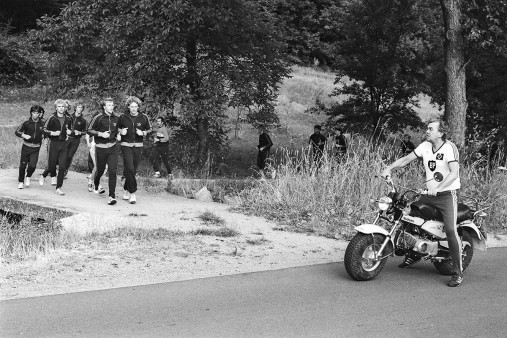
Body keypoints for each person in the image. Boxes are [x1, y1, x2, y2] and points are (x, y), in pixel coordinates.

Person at [381, 120, 463, 287]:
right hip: (428, 194)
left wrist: (439, 188)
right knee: (410, 216)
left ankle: (457, 272)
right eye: (427, 128)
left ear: (440, 133)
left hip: (447, 195)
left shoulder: (449, 148)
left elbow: (454, 173)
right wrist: (389, 168)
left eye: (431, 129)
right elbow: (406, 159)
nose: (427, 131)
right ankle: (415, 252)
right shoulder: (425, 146)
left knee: (450, 229)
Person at [117, 96, 152, 204]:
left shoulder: (144, 117)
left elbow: (150, 129)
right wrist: (120, 131)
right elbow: (116, 128)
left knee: (132, 169)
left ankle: (126, 190)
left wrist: (144, 133)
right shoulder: (123, 117)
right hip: (126, 145)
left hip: (138, 145)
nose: (134, 109)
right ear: (128, 107)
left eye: (136, 107)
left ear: (138, 107)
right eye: (132, 106)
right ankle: (133, 193)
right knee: (130, 168)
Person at [87, 97, 120, 205]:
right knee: (100, 170)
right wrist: (101, 134)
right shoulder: (98, 118)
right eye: (108, 105)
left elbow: (119, 129)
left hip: (113, 147)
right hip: (100, 148)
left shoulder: (117, 118)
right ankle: (96, 182)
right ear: (104, 106)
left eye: (112, 105)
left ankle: (111, 196)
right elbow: (89, 130)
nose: (111, 107)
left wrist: (119, 134)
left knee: (113, 171)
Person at [40, 99, 72, 195]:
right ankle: (43, 175)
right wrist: (52, 133)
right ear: (56, 108)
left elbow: (70, 129)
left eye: (63, 106)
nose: (61, 108)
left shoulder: (68, 119)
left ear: (65, 108)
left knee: (62, 166)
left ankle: (58, 187)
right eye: (59, 106)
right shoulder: (52, 118)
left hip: (64, 144)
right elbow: (43, 129)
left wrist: (70, 132)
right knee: (52, 165)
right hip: (53, 143)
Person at [15, 105, 46, 189]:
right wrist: (24, 135)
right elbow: (17, 131)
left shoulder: (43, 123)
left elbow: (46, 132)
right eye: (34, 113)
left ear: (40, 114)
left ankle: (28, 176)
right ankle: (21, 182)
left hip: (36, 148)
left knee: (32, 166)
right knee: (23, 166)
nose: (35, 115)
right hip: (26, 147)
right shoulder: (26, 123)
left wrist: (44, 136)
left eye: (37, 113)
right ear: (31, 113)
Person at [64, 101, 88, 178]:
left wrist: (80, 132)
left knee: (69, 156)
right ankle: (59, 169)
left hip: (75, 140)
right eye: (78, 107)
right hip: (67, 138)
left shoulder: (83, 120)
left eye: (81, 108)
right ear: (75, 108)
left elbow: (86, 131)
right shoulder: (69, 117)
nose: (80, 109)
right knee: (63, 154)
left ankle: (65, 170)